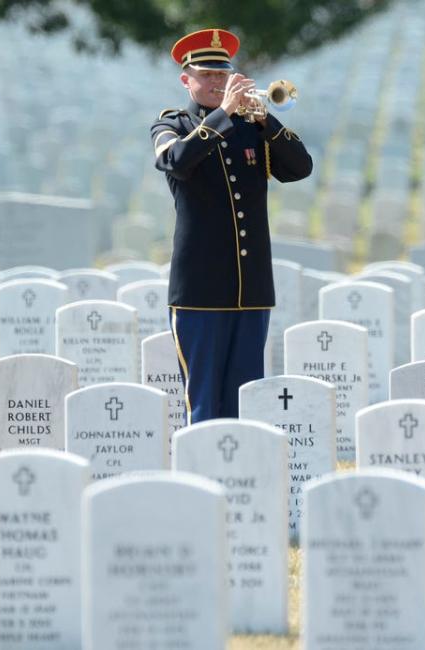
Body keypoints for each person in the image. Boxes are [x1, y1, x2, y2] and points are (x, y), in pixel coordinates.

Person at [151, 28, 313, 424]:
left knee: (247, 400)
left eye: (222, 74)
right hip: (199, 290)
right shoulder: (173, 124)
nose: (216, 82)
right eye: (206, 74)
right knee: (204, 402)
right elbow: (176, 161)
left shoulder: (250, 128)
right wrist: (224, 113)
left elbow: (300, 168)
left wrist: (265, 121)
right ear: (185, 79)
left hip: (251, 288)